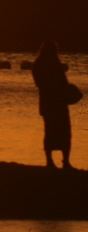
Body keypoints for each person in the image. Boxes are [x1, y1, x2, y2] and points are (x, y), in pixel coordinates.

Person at [32, 41, 76, 169]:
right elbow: (62, 82)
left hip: (48, 104)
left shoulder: (38, 64)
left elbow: (39, 83)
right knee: (63, 132)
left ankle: (50, 161)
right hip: (58, 103)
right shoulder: (54, 64)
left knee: (51, 132)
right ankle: (64, 161)